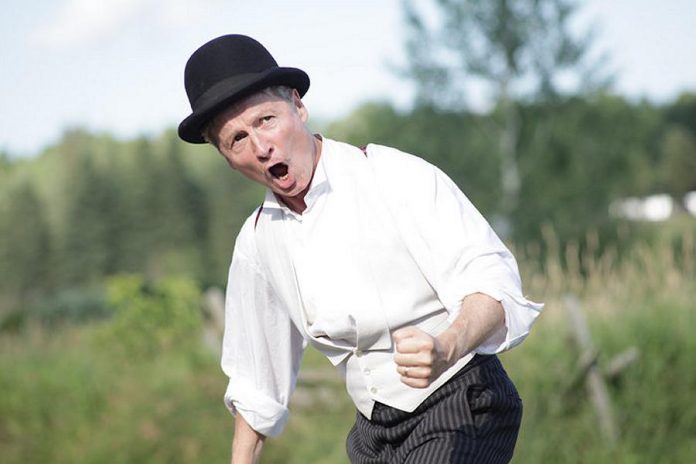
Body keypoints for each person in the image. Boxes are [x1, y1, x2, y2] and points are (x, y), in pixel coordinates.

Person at [178, 34, 543, 464]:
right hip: (373, 434)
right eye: (237, 139)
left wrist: (447, 346)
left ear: (298, 105)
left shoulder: (392, 176)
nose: (260, 147)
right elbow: (257, 379)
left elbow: (493, 283)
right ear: (225, 157)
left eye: (266, 120)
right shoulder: (257, 244)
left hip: (463, 402)